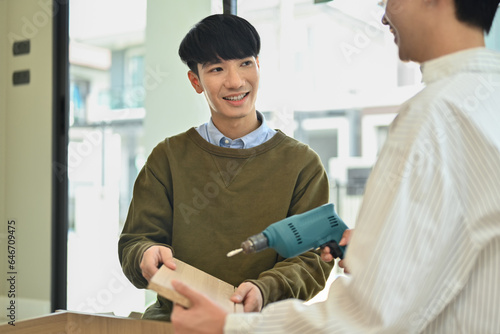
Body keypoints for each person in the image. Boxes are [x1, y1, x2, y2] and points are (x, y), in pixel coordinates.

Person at [170, 0, 500, 333]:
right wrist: (387, 249)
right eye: (216, 69)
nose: (385, 16)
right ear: (195, 80)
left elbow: (369, 317)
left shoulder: (435, 115)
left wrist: (231, 325)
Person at [118, 14, 335, 322]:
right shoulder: (167, 157)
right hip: (174, 323)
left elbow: (313, 258)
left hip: (260, 327)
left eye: (245, 63)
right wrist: (143, 255)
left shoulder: (302, 164)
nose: (235, 81)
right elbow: (135, 241)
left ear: (258, 65)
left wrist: (263, 290)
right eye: (217, 69)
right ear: (196, 81)